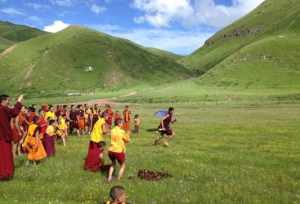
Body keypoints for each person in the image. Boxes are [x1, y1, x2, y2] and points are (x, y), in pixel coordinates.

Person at [0, 94, 23, 181]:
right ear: (4, 101)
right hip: (4, 137)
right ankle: (5, 174)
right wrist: (19, 101)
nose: (9, 102)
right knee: (6, 156)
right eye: (8, 100)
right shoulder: (3, 109)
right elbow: (14, 112)